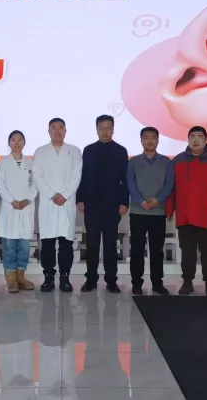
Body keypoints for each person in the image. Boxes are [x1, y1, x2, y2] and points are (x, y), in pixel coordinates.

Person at [167, 126, 207, 297]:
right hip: (185, 215)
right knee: (187, 251)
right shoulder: (177, 161)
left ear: (206, 140)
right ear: (188, 140)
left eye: (200, 137)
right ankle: (187, 282)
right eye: (192, 136)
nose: (196, 140)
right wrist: (169, 209)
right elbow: (171, 188)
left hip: (206, 215)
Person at [78, 115, 130, 293]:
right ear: (97, 130)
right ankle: (91, 279)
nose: (105, 131)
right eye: (101, 128)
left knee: (110, 245)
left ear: (113, 130)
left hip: (112, 205)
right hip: (91, 205)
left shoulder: (121, 151)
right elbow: (83, 176)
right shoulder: (88, 150)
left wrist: (124, 202)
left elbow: (125, 179)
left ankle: (111, 281)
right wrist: (80, 198)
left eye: (108, 128)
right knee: (92, 244)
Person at [33, 118, 83, 293]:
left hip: (66, 203)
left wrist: (65, 195)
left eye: (61, 128)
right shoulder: (40, 152)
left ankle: (64, 277)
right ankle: (48, 277)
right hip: (48, 203)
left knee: (66, 244)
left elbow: (77, 176)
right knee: (47, 243)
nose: (57, 131)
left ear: (65, 131)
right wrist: (53, 195)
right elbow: (37, 177)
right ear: (48, 131)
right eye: (53, 128)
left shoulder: (74, 151)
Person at [126, 126, 174, 296]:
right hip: (138, 212)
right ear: (141, 141)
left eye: (153, 137)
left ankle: (157, 283)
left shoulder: (167, 162)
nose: (149, 141)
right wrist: (140, 201)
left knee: (157, 250)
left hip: (158, 212)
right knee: (137, 249)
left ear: (158, 141)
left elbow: (169, 184)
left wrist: (157, 200)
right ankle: (136, 283)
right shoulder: (133, 162)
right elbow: (130, 184)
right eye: (146, 137)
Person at [0, 130, 38, 293]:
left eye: (20, 140)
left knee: (24, 248)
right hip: (10, 208)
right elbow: (0, 185)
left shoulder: (31, 163)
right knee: (9, 247)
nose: (17, 143)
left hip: (26, 208)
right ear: (9, 143)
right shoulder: (3, 163)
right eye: (13, 140)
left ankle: (21, 277)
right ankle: (11, 280)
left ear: (24, 143)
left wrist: (27, 200)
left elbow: (36, 184)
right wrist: (12, 201)